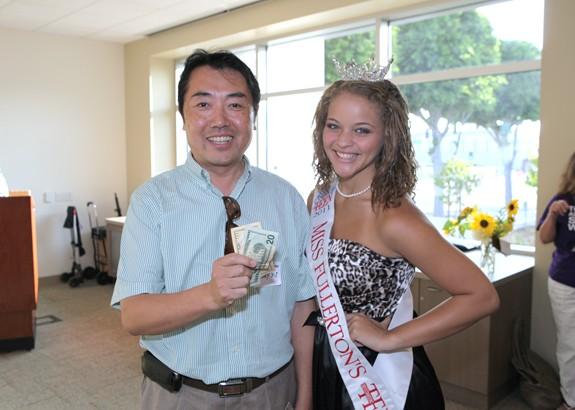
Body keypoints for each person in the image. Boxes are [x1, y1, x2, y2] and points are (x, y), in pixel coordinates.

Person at [111, 49, 315, 410]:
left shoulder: (286, 198)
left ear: (253, 116)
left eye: (235, 105)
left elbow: (302, 304)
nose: (220, 121)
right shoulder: (151, 201)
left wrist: (305, 396)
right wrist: (209, 295)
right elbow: (134, 315)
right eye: (203, 105)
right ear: (183, 117)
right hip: (181, 396)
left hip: (272, 392)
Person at [305, 75, 500, 409]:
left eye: (362, 130)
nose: (343, 141)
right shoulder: (319, 199)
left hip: (379, 374)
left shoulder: (394, 217)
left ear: (388, 136)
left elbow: (481, 296)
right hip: (325, 360)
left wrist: (390, 338)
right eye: (333, 126)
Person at [538, 152, 575, 410]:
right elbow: (544, 238)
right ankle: (571, 400)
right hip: (566, 282)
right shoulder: (563, 201)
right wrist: (552, 214)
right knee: (570, 343)